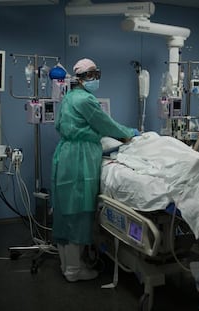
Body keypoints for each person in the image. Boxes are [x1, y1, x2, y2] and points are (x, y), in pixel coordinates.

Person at [51, 58, 139, 282]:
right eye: (89, 75)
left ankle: (66, 265)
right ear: (79, 78)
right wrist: (130, 133)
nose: (94, 79)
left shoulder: (69, 98)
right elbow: (105, 124)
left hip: (65, 154)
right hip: (79, 158)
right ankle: (74, 271)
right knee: (78, 211)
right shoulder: (85, 100)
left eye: (96, 74)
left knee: (65, 212)